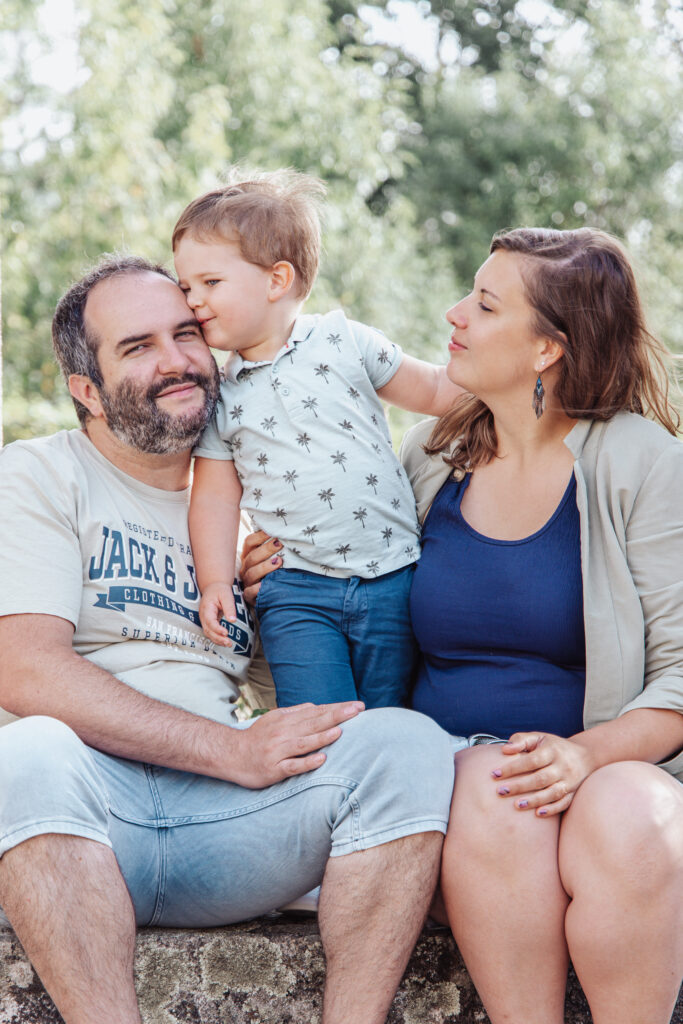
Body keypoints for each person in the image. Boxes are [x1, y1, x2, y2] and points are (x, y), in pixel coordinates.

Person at [242, 225, 683, 1024]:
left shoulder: (639, 460)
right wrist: (271, 591)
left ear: (547, 348)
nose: (453, 314)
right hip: (451, 789)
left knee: (632, 815)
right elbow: (343, 620)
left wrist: (583, 755)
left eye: (483, 304)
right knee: (490, 787)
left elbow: (680, 669)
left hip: (603, 764)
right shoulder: (429, 454)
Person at [0, 255, 456, 1024]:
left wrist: (269, 607)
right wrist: (229, 750)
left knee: (406, 744)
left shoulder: (253, 513)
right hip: (84, 819)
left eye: (186, 333)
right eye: (137, 346)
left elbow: (284, 707)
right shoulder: (39, 475)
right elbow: (24, 672)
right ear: (86, 390)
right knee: (29, 749)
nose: (176, 361)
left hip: (227, 829)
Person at [173, 169, 462, 710]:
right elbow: (213, 499)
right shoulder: (220, 395)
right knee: (318, 723)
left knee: (386, 719)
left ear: (277, 280)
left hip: (392, 576)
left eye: (210, 283)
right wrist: (215, 582)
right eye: (186, 287)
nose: (193, 301)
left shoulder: (344, 341)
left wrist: (514, 374)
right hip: (296, 590)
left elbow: (436, 389)